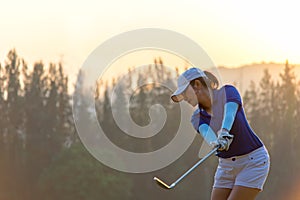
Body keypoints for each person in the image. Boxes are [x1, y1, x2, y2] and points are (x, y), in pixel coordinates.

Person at [171, 67, 270, 200]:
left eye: (184, 92)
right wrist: (216, 142)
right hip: (226, 165)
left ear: (197, 85)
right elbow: (206, 132)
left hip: (253, 162)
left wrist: (224, 132)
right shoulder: (196, 117)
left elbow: (230, 113)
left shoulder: (228, 91)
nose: (183, 98)